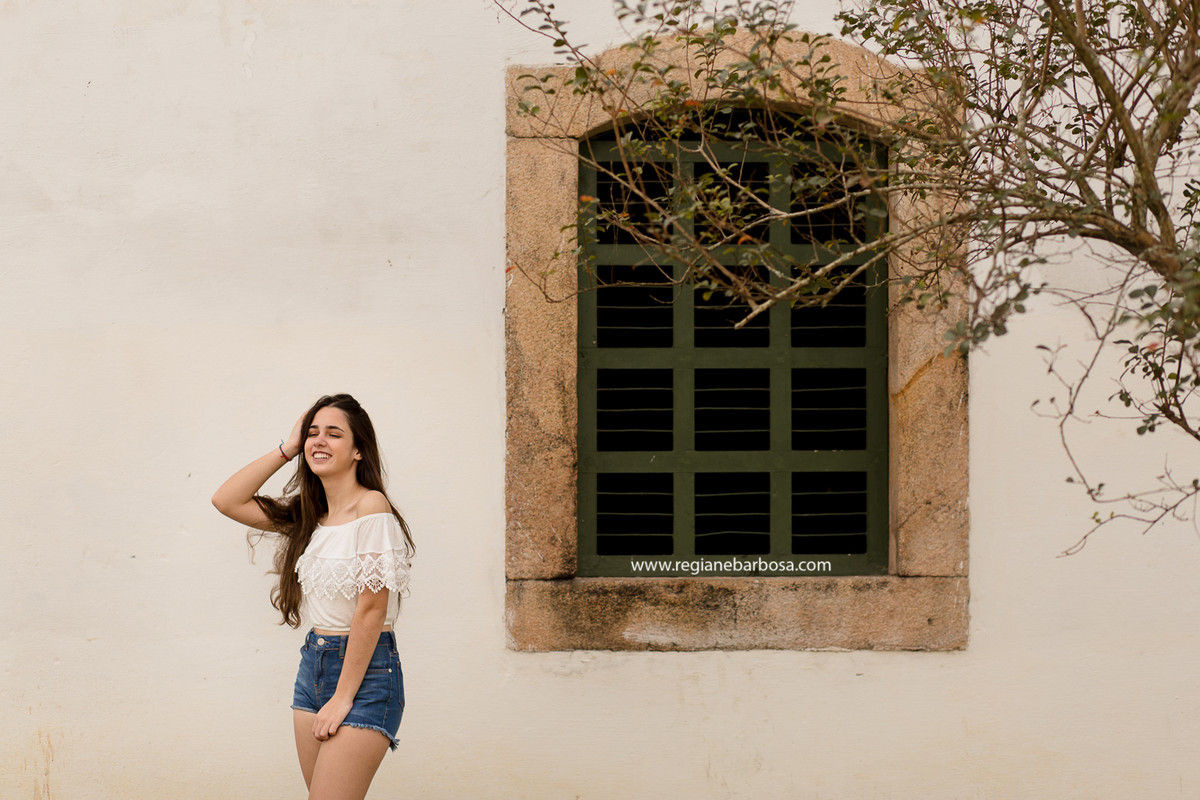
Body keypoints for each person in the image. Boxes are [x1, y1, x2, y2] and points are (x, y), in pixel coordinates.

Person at [212, 394, 414, 800]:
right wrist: (287, 448)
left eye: (334, 434)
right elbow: (226, 500)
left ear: (358, 450)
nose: (319, 441)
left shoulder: (371, 506)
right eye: (312, 433)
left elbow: (372, 610)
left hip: (366, 674)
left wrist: (343, 698)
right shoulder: (310, 516)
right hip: (314, 668)